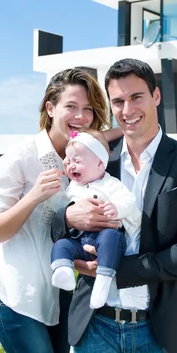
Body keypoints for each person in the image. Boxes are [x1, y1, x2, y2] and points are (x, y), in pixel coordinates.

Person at [51, 58, 177, 353]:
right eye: (118, 101)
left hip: (162, 327)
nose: (127, 110)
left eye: (136, 97)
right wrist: (68, 216)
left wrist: (118, 269)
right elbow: (58, 217)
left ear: (156, 96)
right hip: (95, 326)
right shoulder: (98, 157)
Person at [0, 68, 118, 353]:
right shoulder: (19, 158)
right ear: (50, 108)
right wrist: (33, 197)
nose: (81, 116)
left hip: (61, 295)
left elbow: (63, 230)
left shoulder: (85, 160)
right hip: (18, 297)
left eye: (89, 109)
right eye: (71, 106)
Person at [49, 129, 141, 310]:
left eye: (77, 161)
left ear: (100, 164)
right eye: (69, 161)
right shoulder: (72, 187)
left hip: (104, 239)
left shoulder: (110, 184)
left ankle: (103, 281)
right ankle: (63, 272)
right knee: (61, 246)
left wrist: (116, 208)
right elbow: (59, 211)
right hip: (79, 241)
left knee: (111, 237)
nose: (71, 166)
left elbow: (129, 200)